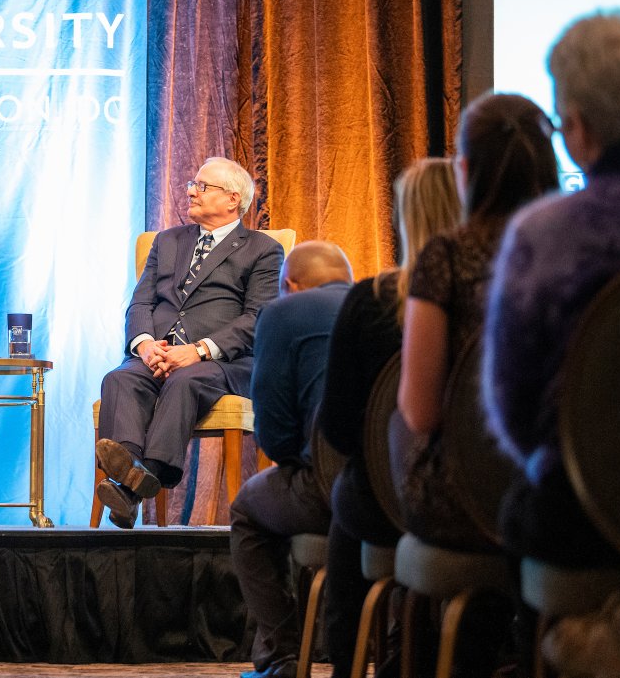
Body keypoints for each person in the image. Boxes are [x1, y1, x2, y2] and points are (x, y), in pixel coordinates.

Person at [483, 10, 620, 675]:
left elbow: (512, 410)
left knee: (520, 506)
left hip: (577, 513)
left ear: (577, 128)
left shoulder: (545, 234)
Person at [315, 158, 461, 678]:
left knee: (345, 509)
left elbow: (336, 428)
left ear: (405, 219)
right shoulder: (494, 297)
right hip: (480, 504)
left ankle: (350, 661)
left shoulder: (370, 301)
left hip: (384, 502)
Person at [397, 92, 558, 551]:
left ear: (464, 173)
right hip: (575, 485)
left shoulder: (447, 255)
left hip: (470, 497)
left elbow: (421, 412)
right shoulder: (579, 247)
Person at [94, 157, 284, 528]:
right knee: (119, 378)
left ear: (233, 199)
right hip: (158, 354)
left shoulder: (262, 249)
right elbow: (142, 302)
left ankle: (133, 485)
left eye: (202, 186)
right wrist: (146, 344)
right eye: (191, 184)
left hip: (223, 362)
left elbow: (258, 316)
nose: (191, 191)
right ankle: (131, 471)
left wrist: (197, 351)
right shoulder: (167, 241)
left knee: (185, 380)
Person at [228, 241, 355, 678]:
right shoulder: (382, 306)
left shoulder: (283, 314)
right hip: (397, 495)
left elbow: (276, 438)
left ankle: (282, 659)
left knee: (247, 509)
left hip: (328, 489)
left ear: (289, 285)